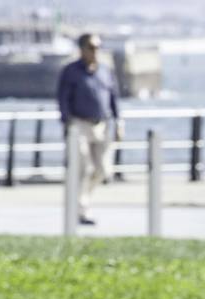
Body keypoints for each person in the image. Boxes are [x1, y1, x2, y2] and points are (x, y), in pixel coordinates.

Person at [56, 33, 122, 226]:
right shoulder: (70, 71)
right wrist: (67, 122)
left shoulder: (105, 71)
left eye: (98, 47)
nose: (95, 51)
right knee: (82, 166)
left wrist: (119, 122)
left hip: (101, 125)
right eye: (91, 47)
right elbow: (62, 99)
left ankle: (84, 198)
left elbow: (113, 98)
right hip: (78, 124)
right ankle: (81, 208)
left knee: (103, 169)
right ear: (82, 49)